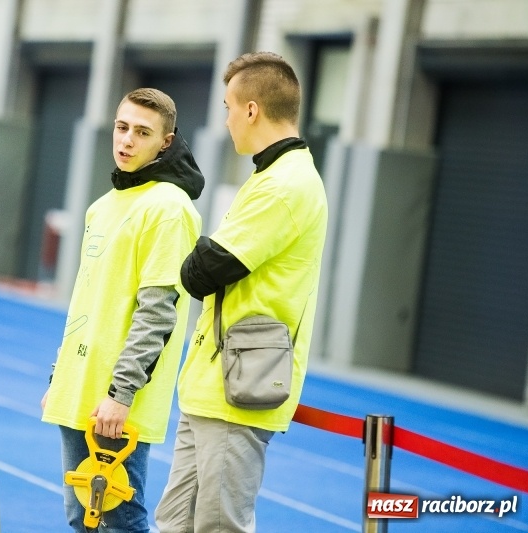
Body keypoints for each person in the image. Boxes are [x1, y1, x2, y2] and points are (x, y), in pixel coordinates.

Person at [155, 52, 328, 532]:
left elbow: (201, 272)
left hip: (239, 386)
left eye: (229, 105)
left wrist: (195, 250)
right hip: (214, 383)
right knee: (175, 523)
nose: (226, 117)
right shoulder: (269, 177)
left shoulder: (285, 186)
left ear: (251, 109)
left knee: (220, 526)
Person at [41, 87, 204, 533]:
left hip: (118, 399)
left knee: (120, 520)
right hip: (80, 386)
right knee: (82, 518)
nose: (127, 140)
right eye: (122, 127)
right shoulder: (102, 206)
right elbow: (88, 300)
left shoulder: (170, 209)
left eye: (142, 132)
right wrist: (60, 377)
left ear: (165, 142)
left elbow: (158, 311)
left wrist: (120, 394)